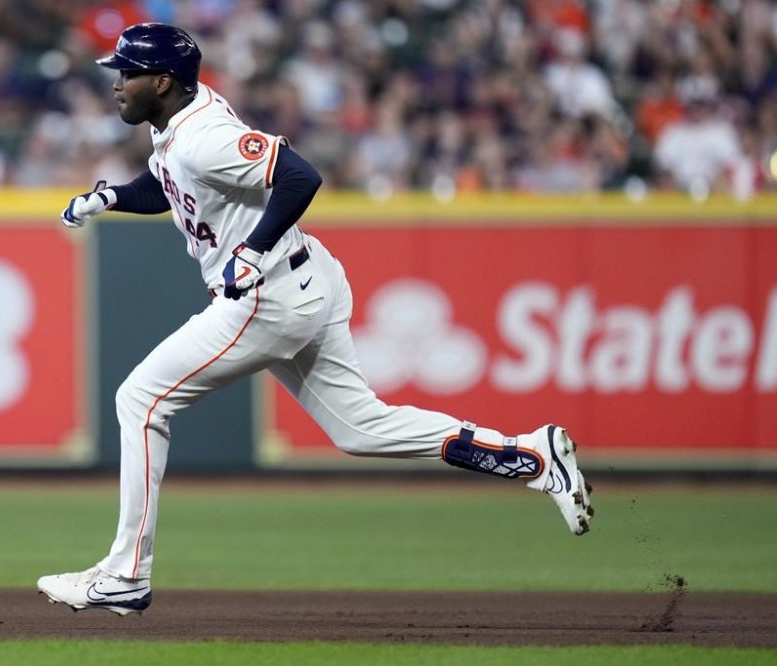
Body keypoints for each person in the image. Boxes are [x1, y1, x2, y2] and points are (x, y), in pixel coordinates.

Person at [36, 23, 594, 617]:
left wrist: (250, 251)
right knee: (360, 428)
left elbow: (300, 175)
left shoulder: (204, 136)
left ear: (163, 81)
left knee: (141, 400)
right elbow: (174, 187)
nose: (117, 85)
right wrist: (113, 198)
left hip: (267, 295)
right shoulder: (179, 125)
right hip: (305, 280)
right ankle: (529, 456)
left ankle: (125, 574)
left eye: (127, 74)